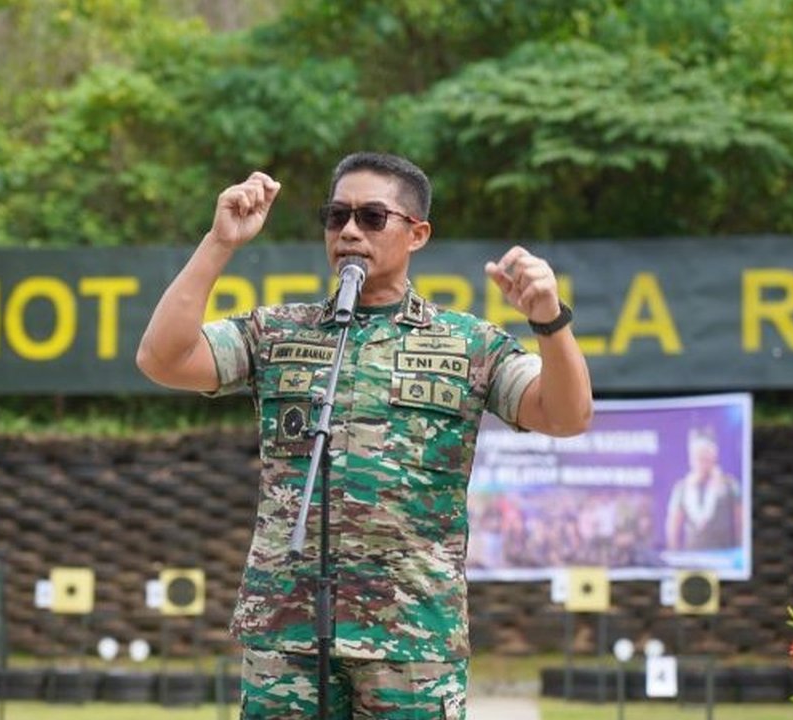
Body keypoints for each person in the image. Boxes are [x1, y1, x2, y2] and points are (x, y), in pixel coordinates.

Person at [136, 152, 592, 719]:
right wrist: (219, 243)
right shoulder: (277, 333)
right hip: (288, 631)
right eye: (336, 216)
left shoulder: (468, 344)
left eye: (372, 217)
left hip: (412, 635)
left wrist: (549, 321)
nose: (350, 231)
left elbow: (567, 415)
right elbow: (163, 358)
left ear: (417, 233)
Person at [664, 426, 742, 551]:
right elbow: (673, 526)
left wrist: (741, 550)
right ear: (691, 459)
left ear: (714, 457)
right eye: (698, 457)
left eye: (706, 456)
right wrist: (673, 553)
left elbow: (740, 521)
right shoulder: (681, 488)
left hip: (726, 557)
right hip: (693, 557)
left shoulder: (730, 485)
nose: (702, 460)